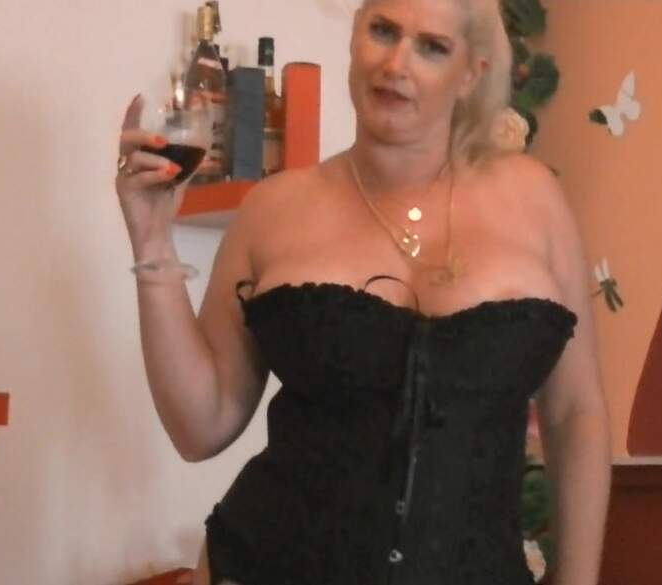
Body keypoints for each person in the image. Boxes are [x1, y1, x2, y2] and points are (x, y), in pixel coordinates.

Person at [115, 0, 611, 583]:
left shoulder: (534, 202)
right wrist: (152, 240)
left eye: (432, 47)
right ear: (355, 39)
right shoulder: (274, 210)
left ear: (470, 73)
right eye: (383, 31)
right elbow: (201, 426)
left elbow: (575, 413)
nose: (396, 64)